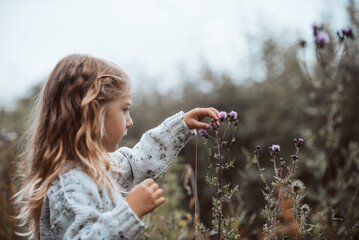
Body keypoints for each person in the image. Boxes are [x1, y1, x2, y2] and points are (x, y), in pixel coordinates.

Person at [14, 54, 219, 240]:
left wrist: (180, 125)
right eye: (124, 109)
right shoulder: (69, 184)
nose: (129, 121)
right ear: (93, 113)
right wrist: (129, 212)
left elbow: (138, 162)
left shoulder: (96, 167)